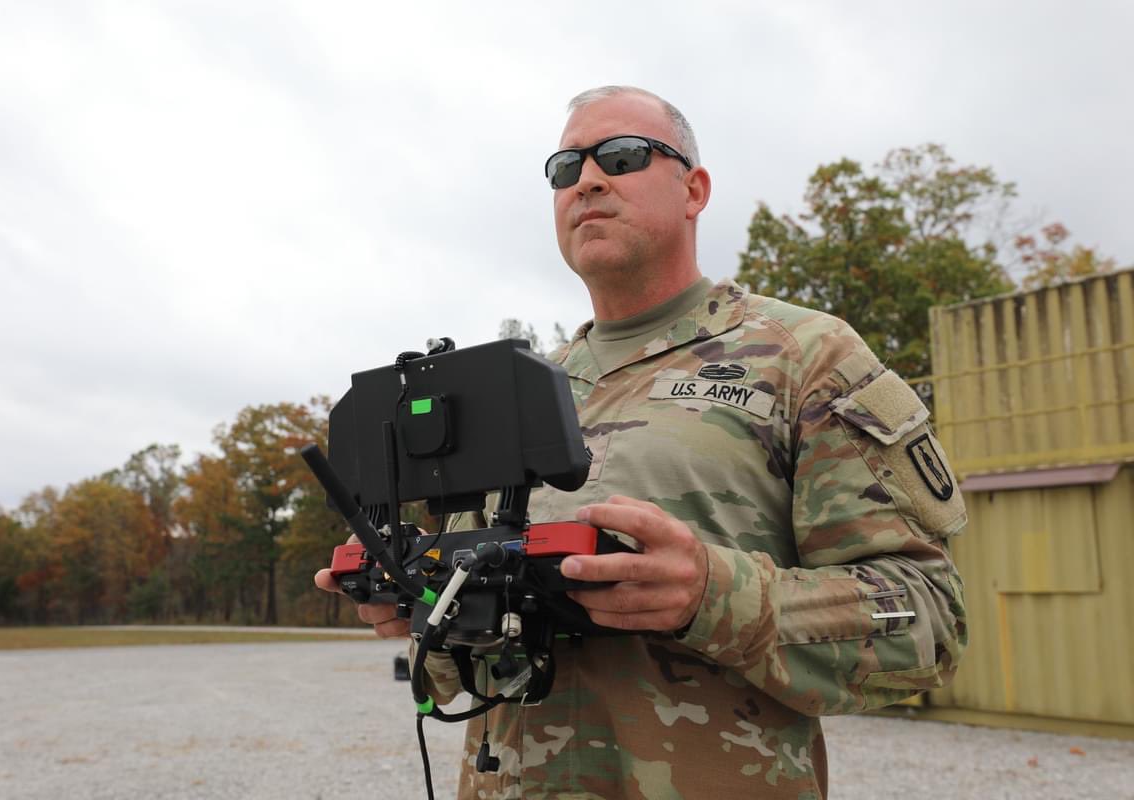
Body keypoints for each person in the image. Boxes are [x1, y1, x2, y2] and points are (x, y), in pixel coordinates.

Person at [316, 85, 968, 800]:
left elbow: (928, 622)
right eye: (565, 168)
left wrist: (715, 596)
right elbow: (465, 666)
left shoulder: (804, 357)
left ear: (694, 189)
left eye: (621, 156)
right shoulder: (515, 393)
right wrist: (422, 606)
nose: (587, 179)